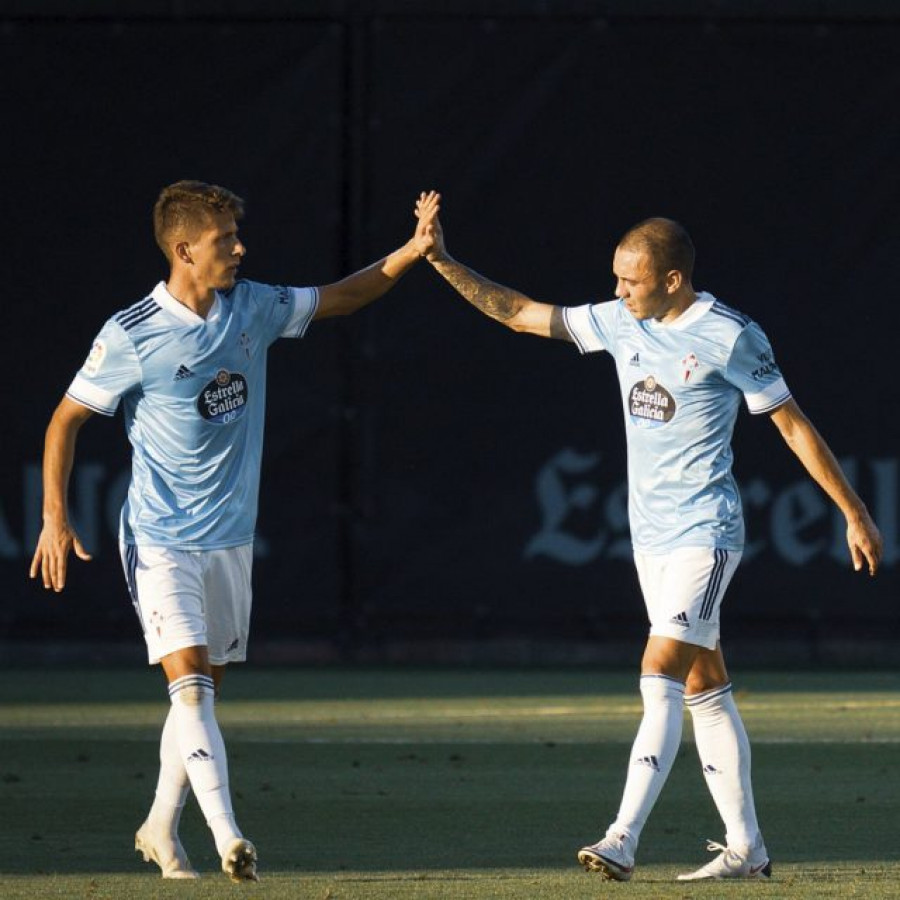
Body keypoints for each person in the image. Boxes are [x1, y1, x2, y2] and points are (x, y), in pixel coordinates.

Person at [415, 199, 883, 881]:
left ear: (672, 280)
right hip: (650, 542)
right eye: (615, 278)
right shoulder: (617, 319)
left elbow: (792, 425)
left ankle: (622, 838)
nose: (616, 291)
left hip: (706, 533)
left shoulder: (730, 335)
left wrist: (854, 510)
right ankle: (747, 846)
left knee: (658, 669)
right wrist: (441, 260)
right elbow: (517, 312)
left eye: (630, 280)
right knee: (705, 683)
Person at [30, 181, 440, 881]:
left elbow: (338, 296)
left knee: (201, 696)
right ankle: (228, 837)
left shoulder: (252, 307)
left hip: (231, 539)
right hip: (159, 537)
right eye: (226, 239)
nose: (241, 248)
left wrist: (411, 251)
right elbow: (65, 419)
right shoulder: (131, 332)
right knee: (189, 688)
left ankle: (160, 825)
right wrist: (54, 516)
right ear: (185, 250)